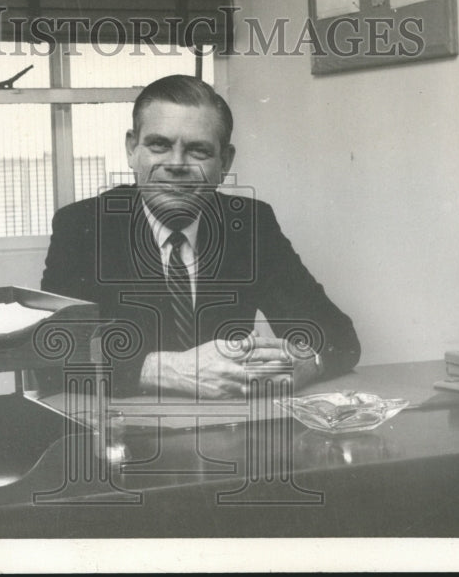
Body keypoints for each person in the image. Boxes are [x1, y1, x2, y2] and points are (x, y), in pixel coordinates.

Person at [41, 75, 360, 397]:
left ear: (225, 162)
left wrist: (306, 361)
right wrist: (163, 370)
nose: (176, 164)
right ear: (131, 149)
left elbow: (338, 335)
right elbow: (52, 356)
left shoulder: (248, 224)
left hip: (227, 431)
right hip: (125, 431)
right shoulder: (83, 226)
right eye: (159, 145)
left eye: (198, 151)